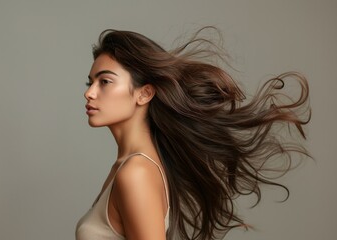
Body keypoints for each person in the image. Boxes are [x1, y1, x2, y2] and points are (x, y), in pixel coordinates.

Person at [75, 27, 311, 240]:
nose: (90, 93)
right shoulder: (126, 167)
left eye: (104, 81)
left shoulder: (135, 173)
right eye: (90, 83)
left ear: (144, 94)